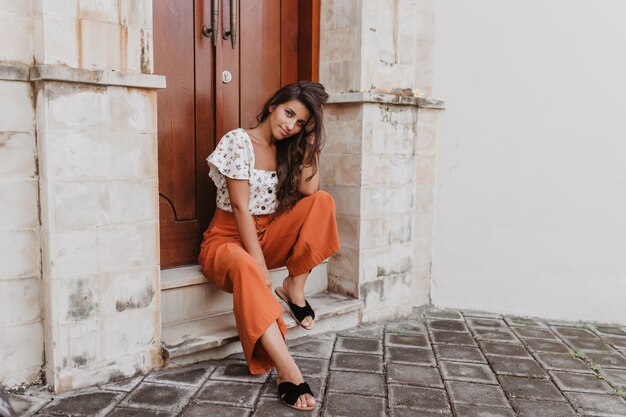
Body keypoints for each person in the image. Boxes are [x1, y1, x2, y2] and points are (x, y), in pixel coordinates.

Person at [198, 81, 340, 411]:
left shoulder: (289, 147)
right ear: (274, 104)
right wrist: (260, 264)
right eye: (289, 113)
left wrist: (310, 144)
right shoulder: (238, 141)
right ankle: (288, 371)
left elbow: (310, 190)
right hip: (225, 240)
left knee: (323, 201)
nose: (290, 125)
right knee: (248, 265)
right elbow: (239, 207)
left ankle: (295, 287)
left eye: (300, 123)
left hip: (268, 234)